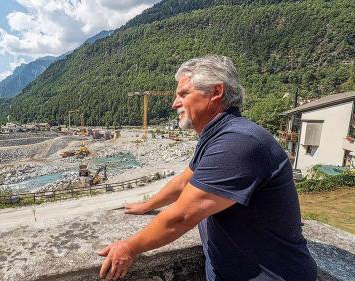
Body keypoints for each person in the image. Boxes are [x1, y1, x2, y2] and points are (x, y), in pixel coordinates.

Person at [98, 55, 317, 281]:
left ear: (216, 92)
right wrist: (148, 205)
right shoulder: (219, 135)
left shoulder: (238, 142)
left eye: (183, 94)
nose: (174, 103)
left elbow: (182, 217)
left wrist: (129, 248)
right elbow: (185, 181)